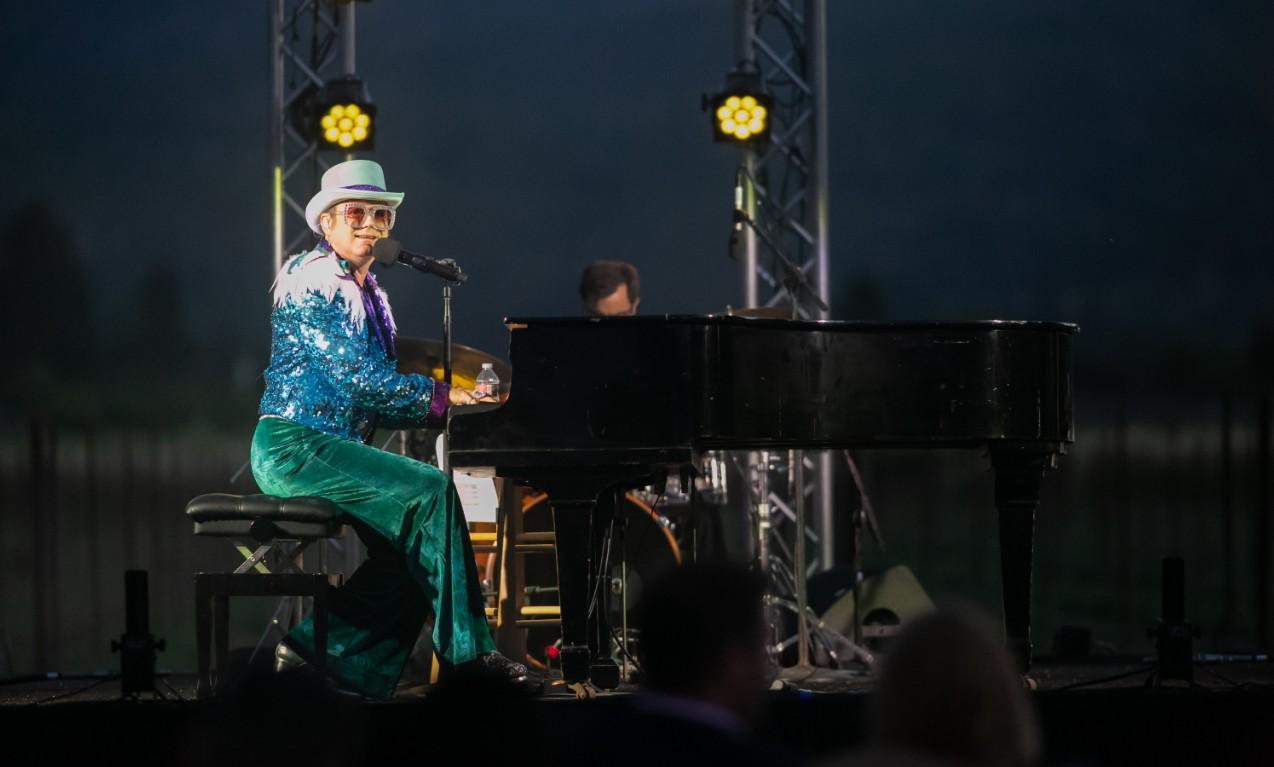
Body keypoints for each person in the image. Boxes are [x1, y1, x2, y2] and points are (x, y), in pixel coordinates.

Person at [251, 159, 526, 699]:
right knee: (432, 491)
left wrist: (455, 403)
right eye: (356, 213)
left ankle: (314, 651)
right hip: (295, 447)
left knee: (415, 552)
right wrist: (442, 397)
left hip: (332, 448)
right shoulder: (313, 280)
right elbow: (357, 380)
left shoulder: (370, 294)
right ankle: (471, 661)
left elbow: (373, 396)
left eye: (381, 215)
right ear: (326, 222)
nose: (370, 224)